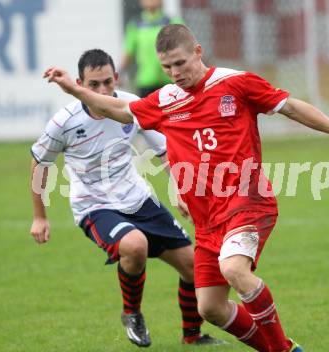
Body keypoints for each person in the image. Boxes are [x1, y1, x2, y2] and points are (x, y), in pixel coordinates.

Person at [43, 25, 329, 352]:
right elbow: (117, 109)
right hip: (207, 221)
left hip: (247, 201)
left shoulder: (235, 83)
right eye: (167, 67)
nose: (175, 72)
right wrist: (74, 91)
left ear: (198, 52)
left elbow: (290, 106)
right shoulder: (165, 100)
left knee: (234, 269)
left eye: (180, 63)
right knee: (210, 307)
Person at [30, 48, 224, 348]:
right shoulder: (63, 122)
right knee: (135, 245)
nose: (102, 90)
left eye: (107, 82)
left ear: (116, 78)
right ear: (80, 84)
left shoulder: (132, 106)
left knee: (193, 265)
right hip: (94, 205)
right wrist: (40, 216)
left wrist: (180, 189)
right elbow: (39, 163)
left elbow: (164, 152)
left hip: (138, 198)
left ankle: (193, 337)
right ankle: (131, 313)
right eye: (93, 85)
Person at [119, 0, 183, 97]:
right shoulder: (135, 25)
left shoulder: (173, 22)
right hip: (145, 82)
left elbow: (185, 49)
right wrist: (119, 73)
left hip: (170, 79)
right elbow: (129, 53)